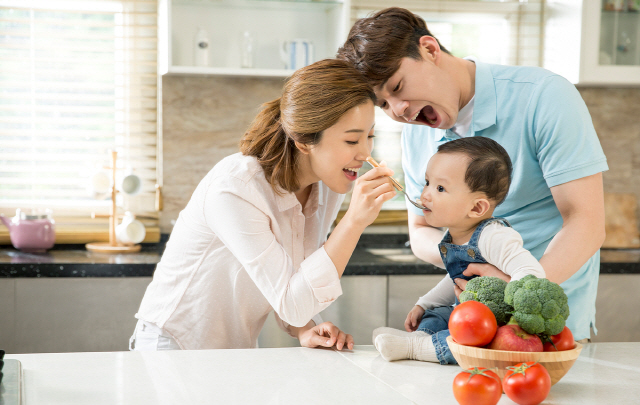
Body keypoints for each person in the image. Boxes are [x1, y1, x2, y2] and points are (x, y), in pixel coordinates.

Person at [337, 7, 607, 343]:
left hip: (548, 327)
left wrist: (515, 290)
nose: (399, 111)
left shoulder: (545, 96)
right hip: (470, 323)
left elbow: (586, 223)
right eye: (384, 105)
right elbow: (420, 230)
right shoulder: (417, 134)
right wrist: (474, 264)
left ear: (430, 49)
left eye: (398, 86)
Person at [129, 59, 397, 351]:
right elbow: (290, 301)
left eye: (370, 136)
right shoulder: (236, 188)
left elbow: (291, 276)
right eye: (351, 140)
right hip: (173, 345)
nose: (365, 153)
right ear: (304, 140)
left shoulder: (329, 185)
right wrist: (354, 222)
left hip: (234, 351)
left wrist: (305, 328)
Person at [373, 136, 545, 364]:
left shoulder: (494, 236)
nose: (425, 194)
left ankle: (415, 347)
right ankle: (422, 337)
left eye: (440, 188)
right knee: (438, 314)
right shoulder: (454, 236)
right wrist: (424, 303)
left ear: (476, 207)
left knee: (468, 338)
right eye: (427, 182)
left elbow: (534, 274)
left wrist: (505, 290)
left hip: (493, 327)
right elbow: (454, 280)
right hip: (467, 314)